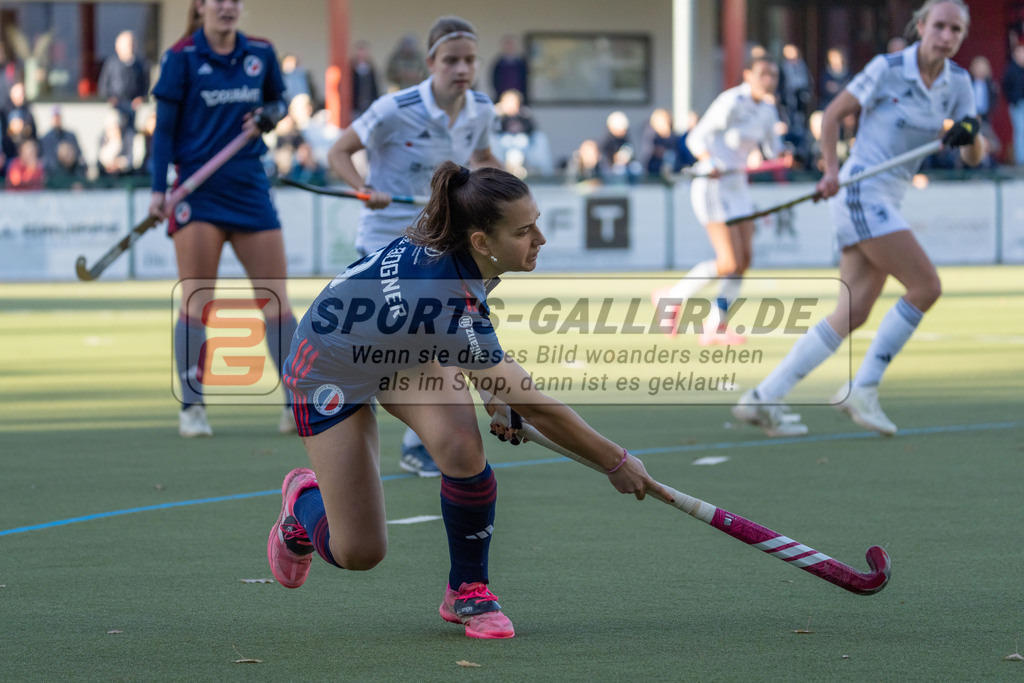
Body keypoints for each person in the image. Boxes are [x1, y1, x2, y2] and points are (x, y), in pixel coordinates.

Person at [267, 161, 669, 640]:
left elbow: (457, 339)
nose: (540, 238)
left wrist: (492, 392)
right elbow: (532, 402)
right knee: (358, 552)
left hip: (399, 350)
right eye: (524, 230)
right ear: (481, 240)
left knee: (461, 444)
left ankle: (467, 590)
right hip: (326, 367)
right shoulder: (446, 292)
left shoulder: (457, 247)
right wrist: (615, 461)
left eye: (536, 222)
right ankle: (301, 505)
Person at [732, 0, 985, 437]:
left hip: (889, 195)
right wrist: (830, 170)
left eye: (956, 30)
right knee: (926, 286)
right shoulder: (886, 68)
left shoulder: (958, 83)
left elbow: (973, 155)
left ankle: (763, 397)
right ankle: (863, 386)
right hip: (860, 191)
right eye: (940, 26)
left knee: (852, 313)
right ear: (921, 26)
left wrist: (970, 135)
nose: (947, 36)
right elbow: (832, 116)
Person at [326, 15, 503, 477]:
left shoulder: (482, 108)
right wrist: (364, 186)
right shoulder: (393, 107)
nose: (462, 69)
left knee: (437, 336)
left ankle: (416, 442)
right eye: (451, 61)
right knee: (391, 345)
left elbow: (482, 157)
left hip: (439, 242)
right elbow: (339, 151)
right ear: (430, 62)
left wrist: (506, 191)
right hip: (384, 242)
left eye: (469, 60)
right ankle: (355, 426)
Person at [149, 0, 297, 438]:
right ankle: (192, 409)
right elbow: (162, 131)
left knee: (275, 301)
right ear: (201, 6)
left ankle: (296, 406)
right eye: (218, 0)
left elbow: (278, 101)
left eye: (235, 0)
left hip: (250, 188)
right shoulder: (181, 57)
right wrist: (159, 188)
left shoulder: (261, 53)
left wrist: (274, 114)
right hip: (198, 193)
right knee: (197, 301)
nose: (227, 6)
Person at [653, 55, 786, 346]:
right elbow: (695, 139)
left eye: (773, 76)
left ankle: (715, 324)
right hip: (712, 184)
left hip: (737, 185)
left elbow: (771, 151)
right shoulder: (730, 102)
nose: (769, 81)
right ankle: (670, 298)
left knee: (744, 260)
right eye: (764, 74)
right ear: (748, 75)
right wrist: (709, 160)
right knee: (728, 262)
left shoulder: (767, 109)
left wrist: (783, 155)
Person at [98, 31, 149, 134]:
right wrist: (110, 98)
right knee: (115, 134)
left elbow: (145, 85)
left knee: (130, 135)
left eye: (132, 44)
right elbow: (103, 85)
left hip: (132, 105)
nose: (130, 47)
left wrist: (140, 98)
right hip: (116, 105)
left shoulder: (140, 65)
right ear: (118, 47)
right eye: (127, 45)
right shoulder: (111, 64)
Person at [39, 106, 82, 176]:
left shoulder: (70, 136)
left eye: (58, 117)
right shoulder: (45, 139)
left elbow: (79, 156)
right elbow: (47, 160)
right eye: (54, 117)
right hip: (54, 174)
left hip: (72, 172)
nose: (57, 120)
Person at [1001, 44, 1024, 165]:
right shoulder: (1011, 70)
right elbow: (1005, 87)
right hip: (1017, 104)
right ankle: (1021, 160)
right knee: (1021, 132)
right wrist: (1013, 99)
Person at [491, 34, 528, 103]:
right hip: (502, 100)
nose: (509, 47)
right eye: (507, 45)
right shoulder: (498, 64)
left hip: (519, 100)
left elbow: (525, 82)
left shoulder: (521, 64)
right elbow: (494, 81)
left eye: (511, 44)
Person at [350, 40, 380, 119]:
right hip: (355, 105)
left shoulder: (371, 68)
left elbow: (375, 87)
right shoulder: (351, 68)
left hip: (368, 103)